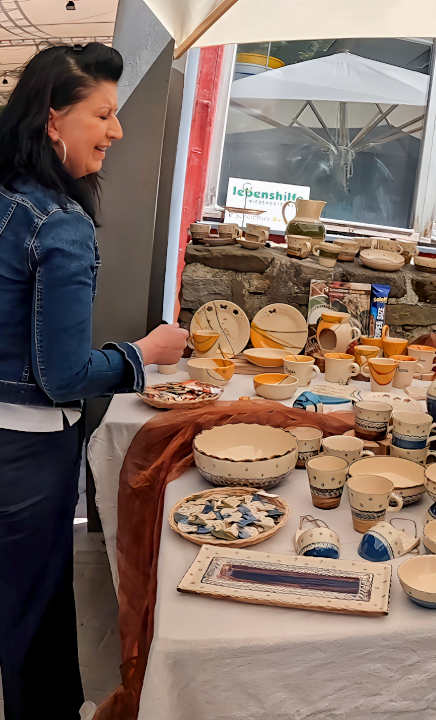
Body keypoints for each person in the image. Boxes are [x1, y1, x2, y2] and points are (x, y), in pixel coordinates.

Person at [0, 44, 188, 720]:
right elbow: (64, 376)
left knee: (33, 606)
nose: (117, 130)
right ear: (53, 120)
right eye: (103, 115)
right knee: (31, 618)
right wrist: (145, 352)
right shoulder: (59, 223)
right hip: (27, 455)